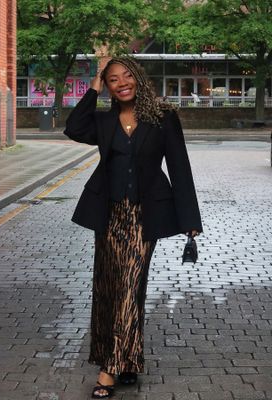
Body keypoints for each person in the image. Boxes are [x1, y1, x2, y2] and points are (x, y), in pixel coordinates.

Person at [64, 57, 203, 399]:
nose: (121, 82)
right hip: (109, 215)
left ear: (138, 78)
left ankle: (109, 369)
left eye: (127, 75)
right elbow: (73, 126)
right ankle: (128, 360)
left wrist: (190, 220)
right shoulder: (105, 119)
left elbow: (179, 166)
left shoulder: (162, 115)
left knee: (129, 286)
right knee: (110, 288)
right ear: (108, 87)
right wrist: (93, 86)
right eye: (112, 79)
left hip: (145, 217)